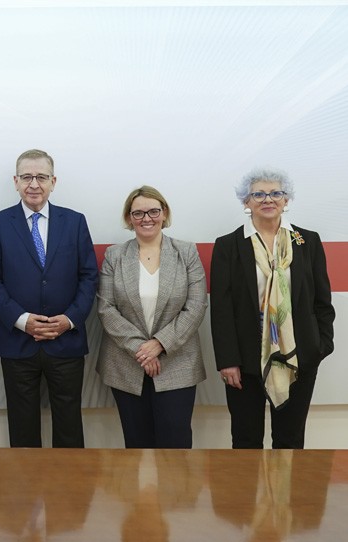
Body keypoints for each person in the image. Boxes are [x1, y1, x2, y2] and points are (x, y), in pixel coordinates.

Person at [0, 149, 98, 448]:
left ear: (53, 181)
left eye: (41, 177)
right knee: (22, 429)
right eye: (27, 177)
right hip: (18, 342)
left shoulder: (75, 221)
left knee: (69, 426)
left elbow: (88, 277)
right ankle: (24, 494)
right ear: (16, 181)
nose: (34, 184)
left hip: (66, 340)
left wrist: (69, 320)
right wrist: (22, 321)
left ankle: (69, 494)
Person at [210, 167, 334, 449]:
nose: (268, 199)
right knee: (246, 440)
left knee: (290, 440)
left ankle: (286, 496)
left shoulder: (307, 241)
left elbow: (322, 301)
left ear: (286, 199)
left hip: (297, 356)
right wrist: (228, 360)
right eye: (259, 194)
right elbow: (221, 308)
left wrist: (319, 346)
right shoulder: (228, 245)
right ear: (246, 202)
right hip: (245, 359)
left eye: (275, 193)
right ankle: (245, 496)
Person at [96, 186, 207, 448]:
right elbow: (106, 308)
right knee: (136, 446)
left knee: (176, 446)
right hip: (126, 363)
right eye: (138, 213)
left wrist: (159, 344)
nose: (147, 218)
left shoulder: (187, 252)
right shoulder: (114, 255)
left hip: (177, 362)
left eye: (153, 211)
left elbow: (196, 306)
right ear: (129, 218)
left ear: (164, 213)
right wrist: (141, 350)